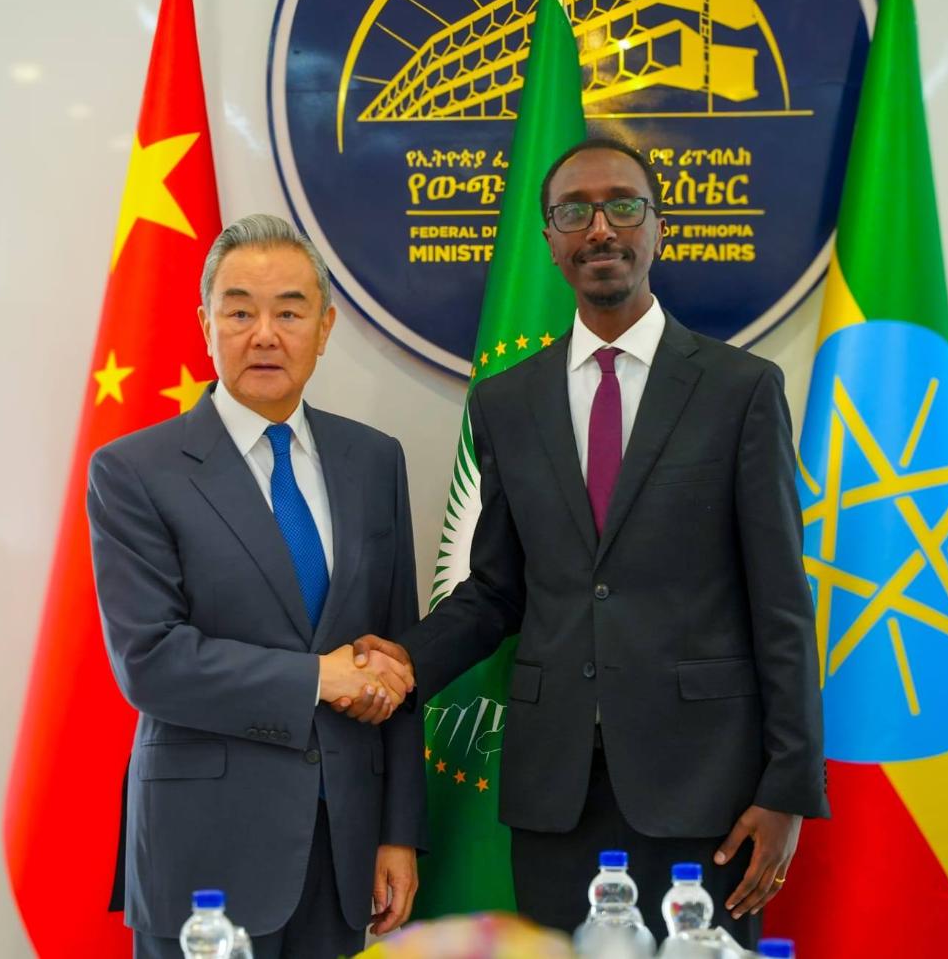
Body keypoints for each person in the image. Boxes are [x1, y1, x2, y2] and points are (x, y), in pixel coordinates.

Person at [347, 140, 828, 948]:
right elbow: (497, 590)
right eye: (575, 212)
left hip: (706, 788)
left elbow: (781, 598)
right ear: (550, 239)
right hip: (555, 792)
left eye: (622, 205)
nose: (600, 228)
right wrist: (403, 659)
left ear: (658, 226)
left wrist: (789, 787)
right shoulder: (507, 402)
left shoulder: (740, 390)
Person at [88, 214, 426, 959]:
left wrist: (397, 831)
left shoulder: (374, 461)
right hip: (203, 851)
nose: (265, 334)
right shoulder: (134, 471)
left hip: (343, 848)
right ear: (206, 325)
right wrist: (318, 677)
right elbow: (150, 661)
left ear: (325, 327)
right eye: (240, 312)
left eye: (290, 312)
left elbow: (396, 654)